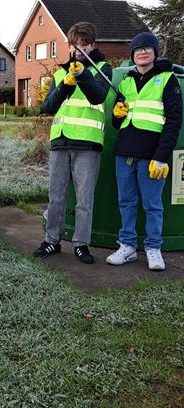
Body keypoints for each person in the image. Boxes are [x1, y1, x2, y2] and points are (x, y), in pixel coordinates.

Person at [33, 22, 112, 264]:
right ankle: (51, 241)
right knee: (56, 196)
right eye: (74, 46)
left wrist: (81, 74)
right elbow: (47, 107)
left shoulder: (102, 69)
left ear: (92, 45)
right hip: (60, 143)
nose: (79, 50)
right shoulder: (59, 73)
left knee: (84, 200)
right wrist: (66, 82)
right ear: (69, 45)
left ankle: (81, 244)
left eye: (84, 45)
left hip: (87, 144)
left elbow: (98, 95)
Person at [106, 32, 182, 271]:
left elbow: (174, 121)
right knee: (126, 202)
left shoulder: (167, 79)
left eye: (148, 48)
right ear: (132, 55)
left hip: (152, 155)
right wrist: (116, 116)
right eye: (138, 49)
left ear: (155, 53)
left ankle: (153, 249)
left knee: (152, 205)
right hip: (124, 152)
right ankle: (127, 246)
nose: (143, 52)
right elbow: (118, 122)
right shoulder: (125, 81)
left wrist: (161, 157)